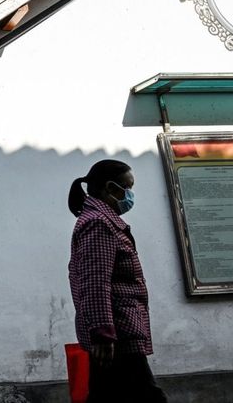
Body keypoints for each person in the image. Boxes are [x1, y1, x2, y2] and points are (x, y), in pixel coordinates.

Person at [67, 160, 167, 403]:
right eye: (127, 187)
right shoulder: (98, 223)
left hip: (117, 331)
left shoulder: (101, 221)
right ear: (110, 188)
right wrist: (103, 333)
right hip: (117, 333)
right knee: (149, 396)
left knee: (108, 394)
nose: (131, 195)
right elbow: (95, 282)